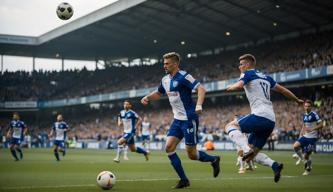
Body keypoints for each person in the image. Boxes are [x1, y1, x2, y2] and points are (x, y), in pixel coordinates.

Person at [141, 52, 220, 189]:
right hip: (177, 120)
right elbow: (159, 93)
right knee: (168, 147)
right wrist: (147, 97)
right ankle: (184, 180)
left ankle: (214, 159)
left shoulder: (184, 76)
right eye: (164, 63)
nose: (164, 65)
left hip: (189, 119)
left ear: (176, 63)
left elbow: (201, 89)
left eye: (167, 63)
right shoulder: (165, 80)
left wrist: (199, 104)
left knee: (192, 154)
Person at [226, 54, 303, 182]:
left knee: (230, 126)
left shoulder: (248, 74)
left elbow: (239, 85)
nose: (240, 66)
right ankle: (275, 165)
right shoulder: (267, 78)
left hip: (259, 115)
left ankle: (245, 149)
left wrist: (230, 87)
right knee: (252, 156)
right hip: (270, 120)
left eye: (242, 64)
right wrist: (296, 100)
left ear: (249, 64)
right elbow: (283, 90)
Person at [293, 100, 323, 175]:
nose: (307, 107)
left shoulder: (314, 114)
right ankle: (303, 160)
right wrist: (301, 134)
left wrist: (312, 129)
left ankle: (308, 169)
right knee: (295, 146)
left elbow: (321, 125)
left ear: (311, 107)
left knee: (307, 155)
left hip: (312, 137)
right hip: (305, 136)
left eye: (308, 106)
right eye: (306, 106)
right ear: (304, 106)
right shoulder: (304, 115)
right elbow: (304, 125)